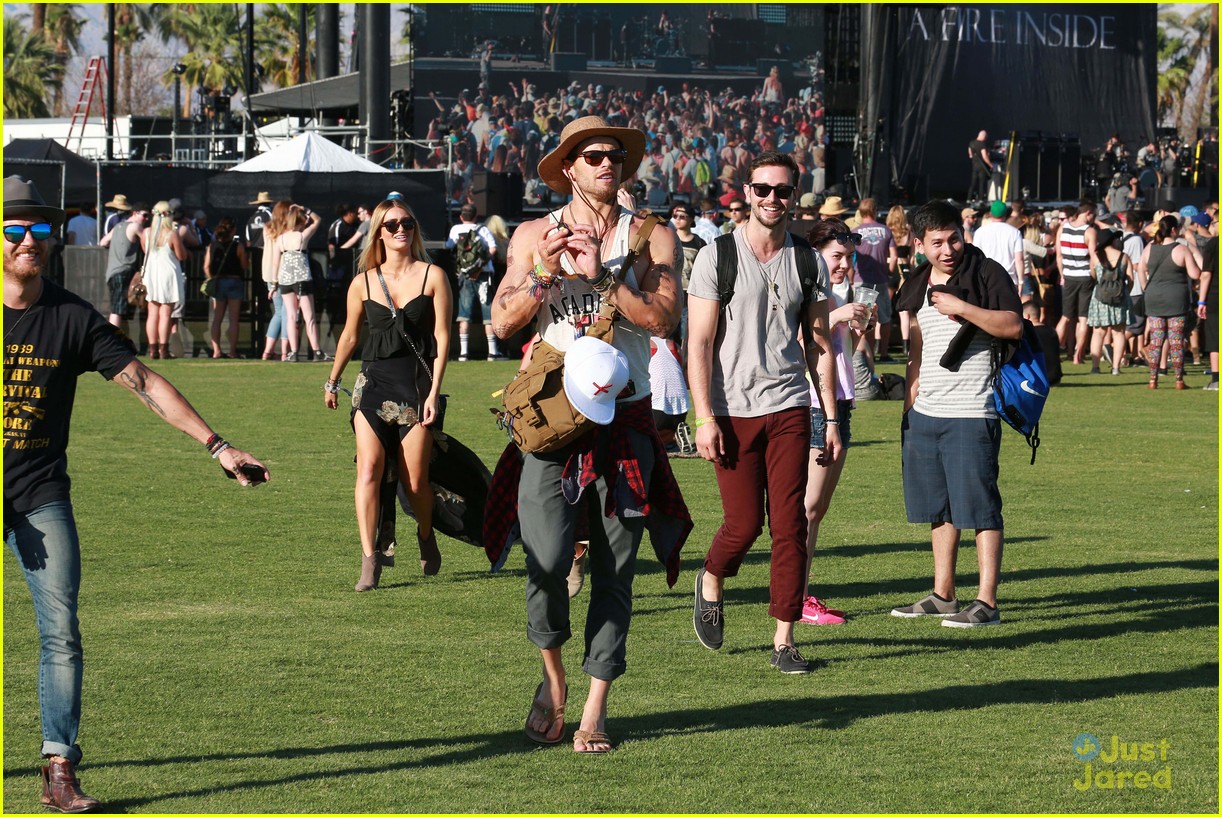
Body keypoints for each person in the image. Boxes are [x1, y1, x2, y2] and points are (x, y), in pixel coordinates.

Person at [3, 175, 269, 814]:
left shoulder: (70, 317)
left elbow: (144, 382)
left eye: (41, 229)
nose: (29, 241)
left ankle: (58, 767)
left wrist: (217, 445)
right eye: (14, 229)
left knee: (61, 628)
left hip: (39, 490)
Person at [486, 115, 689, 753]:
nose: (606, 163)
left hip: (624, 417)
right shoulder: (531, 234)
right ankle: (553, 679)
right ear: (568, 168)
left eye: (613, 155)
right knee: (544, 561)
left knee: (615, 568)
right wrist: (544, 274)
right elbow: (500, 322)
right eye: (591, 155)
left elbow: (661, 318)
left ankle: (597, 703)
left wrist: (603, 275)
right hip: (550, 421)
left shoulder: (653, 237)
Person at [686, 150, 838, 673]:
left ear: (795, 196)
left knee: (789, 524)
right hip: (731, 409)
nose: (773, 199)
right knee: (744, 524)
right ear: (747, 193)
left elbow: (820, 343)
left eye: (783, 190)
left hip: (791, 403)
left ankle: (784, 639)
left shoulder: (807, 260)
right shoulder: (716, 256)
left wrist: (832, 416)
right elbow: (700, 343)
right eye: (763, 189)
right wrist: (703, 418)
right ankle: (710, 577)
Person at [891, 200, 1022, 628]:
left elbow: (1013, 326)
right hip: (926, 411)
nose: (948, 249)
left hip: (972, 408)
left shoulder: (986, 273)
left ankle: (987, 602)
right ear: (918, 243)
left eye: (953, 239)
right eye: (937, 243)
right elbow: (916, 351)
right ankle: (943, 594)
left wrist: (962, 308)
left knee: (980, 507)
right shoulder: (915, 283)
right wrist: (910, 406)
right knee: (939, 508)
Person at [324, 199, 451, 590]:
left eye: (408, 223)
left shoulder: (433, 275)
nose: (401, 229)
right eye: (393, 224)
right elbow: (349, 335)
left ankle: (426, 535)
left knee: (415, 484)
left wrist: (434, 393)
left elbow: (443, 338)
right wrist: (333, 379)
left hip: (415, 386)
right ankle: (369, 559)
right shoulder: (362, 282)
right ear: (378, 231)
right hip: (372, 385)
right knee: (367, 470)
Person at [799, 218, 872, 626]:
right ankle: (797, 597)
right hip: (813, 406)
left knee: (818, 508)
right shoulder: (807, 292)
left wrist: (860, 328)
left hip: (840, 404)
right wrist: (836, 312)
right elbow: (796, 342)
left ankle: (801, 592)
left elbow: (844, 353)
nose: (845, 264)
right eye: (837, 257)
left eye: (849, 256)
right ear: (817, 256)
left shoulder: (837, 292)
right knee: (808, 507)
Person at [1139, 215, 1205, 389]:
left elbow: (1140, 268)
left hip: (1153, 298)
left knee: (1156, 340)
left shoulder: (1150, 247)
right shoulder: (1181, 249)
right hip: (1176, 298)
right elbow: (1195, 274)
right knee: (1176, 340)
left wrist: (1146, 287)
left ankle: (1152, 380)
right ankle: (1178, 380)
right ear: (1174, 230)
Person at [267, 200, 330, 362]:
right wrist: (305, 208)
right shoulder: (302, 236)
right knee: (308, 317)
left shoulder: (280, 239)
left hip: (285, 280)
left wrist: (273, 284)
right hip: (302, 279)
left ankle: (293, 352)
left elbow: (275, 263)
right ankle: (316, 351)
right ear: (300, 222)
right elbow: (318, 220)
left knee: (290, 316)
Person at [444, 203, 503, 361]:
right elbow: (493, 248)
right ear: (476, 216)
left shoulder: (455, 230)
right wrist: (480, 266)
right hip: (484, 275)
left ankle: (463, 353)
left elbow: (448, 246)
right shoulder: (483, 229)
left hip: (464, 275)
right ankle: (492, 352)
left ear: (461, 217)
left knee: (464, 314)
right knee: (488, 313)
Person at [852, 198, 898, 362]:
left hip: (860, 279)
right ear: (875, 210)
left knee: (862, 318)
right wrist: (889, 272)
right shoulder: (885, 230)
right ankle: (884, 353)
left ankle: (866, 353)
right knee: (884, 318)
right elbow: (894, 257)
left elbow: (851, 258)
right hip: (880, 279)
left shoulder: (855, 231)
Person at [141, 201, 188, 360]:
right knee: (166, 313)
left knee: (152, 313)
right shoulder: (171, 233)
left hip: (152, 273)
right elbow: (181, 256)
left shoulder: (146, 233)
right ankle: (163, 349)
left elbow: (144, 251)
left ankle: (153, 348)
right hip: (168, 273)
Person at [1055, 202, 1098, 364]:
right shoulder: (1089, 231)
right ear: (1088, 213)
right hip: (1085, 276)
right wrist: (1094, 275)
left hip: (1069, 276)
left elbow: (1059, 256)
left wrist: (1062, 274)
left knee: (1065, 317)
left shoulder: (1063, 228)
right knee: (1083, 318)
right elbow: (1093, 257)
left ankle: (1054, 349)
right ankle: (1077, 356)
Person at [1085, 228, 1131, 376]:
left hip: (1100, 298)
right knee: (1119, 333)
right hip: (1119, 298)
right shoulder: (1123, 257)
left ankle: (1095, 367)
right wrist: (1123, 291)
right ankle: (1116, 368)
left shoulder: (1095, 257)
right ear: (1112, 240)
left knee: (1098, 333)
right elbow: (1130, 279)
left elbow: (1093, 276)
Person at [203, 216, 247, 359]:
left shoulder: (212, 246)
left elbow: (206, 266)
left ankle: (216, 351)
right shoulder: (238, 246)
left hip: (219, 282)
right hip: (234, 281)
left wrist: (212, 278)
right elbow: (245, 265)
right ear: (233, 230)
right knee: (234, 319)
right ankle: (233, 351)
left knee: (217, 318)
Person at [102, 204, 149, 329]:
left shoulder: (117, 226)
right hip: (123, 271)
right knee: (117, 309)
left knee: (118, 307)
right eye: (144, 215)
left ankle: (116, 338)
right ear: (134, 213)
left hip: (112, 272)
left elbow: (103, 242)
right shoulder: (135, 226)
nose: (146, 219)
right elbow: (149, 242)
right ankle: (113, 339)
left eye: (148, 216)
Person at [973, 201, 1026, 292]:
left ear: (990, 214)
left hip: (986, 279)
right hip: (1009, 280)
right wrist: (1021, 282)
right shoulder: (1014, 232)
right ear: (1006, 214)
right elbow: (1019, 259)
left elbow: (976, 257)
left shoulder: (980, 232)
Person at [244, 191, 275, 347]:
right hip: (268, 255)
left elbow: (248, 242)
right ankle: (267, 307)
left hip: (255, 256)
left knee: (255, 287)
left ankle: (254, 306)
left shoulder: (250, 219)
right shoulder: (270, 215)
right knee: (268, 286)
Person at [967, 130, 993, 202]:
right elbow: (984, 156)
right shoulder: (982, 144)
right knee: (981, 183)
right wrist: (991, 165)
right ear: (984, 136)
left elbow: (970, 155)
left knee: (973, 183)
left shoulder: (971, 143)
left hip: (974, 165)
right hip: (982, 166)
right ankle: (981, 199)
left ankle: (968, 199)